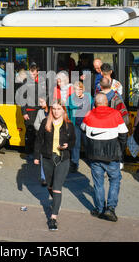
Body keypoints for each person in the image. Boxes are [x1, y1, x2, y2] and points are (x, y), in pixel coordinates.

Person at [82, 93, 128, 222]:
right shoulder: (115, 114)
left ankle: (99, 209)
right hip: (112, 156)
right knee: (114, 181)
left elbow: (83, 131)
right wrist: (120, 150)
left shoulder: (89, 114)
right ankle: (110, 209)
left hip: (95, 156)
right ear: (107, 102)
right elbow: (124, 134)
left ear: (95, 103)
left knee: (98, 183)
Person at [33, 99, 76, 231]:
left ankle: (53, 218)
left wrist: (68, 145)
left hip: (63, 159)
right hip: (47, 158)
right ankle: (57, 202)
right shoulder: (46, 122)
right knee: (50, 186)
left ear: (63, 110)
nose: (57, 112)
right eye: (54, 109)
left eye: (59, 109)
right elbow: (39, 140)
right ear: (51, 110)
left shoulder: (69, 125)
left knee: (57, 187)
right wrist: (36, 157)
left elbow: (73, 141)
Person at [66, 81, 93, 173]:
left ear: (83, 89)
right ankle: (74, 163)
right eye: (76, 89)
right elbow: (67, 111)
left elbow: (92, 108)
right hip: (75, 124)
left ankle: (91, 162)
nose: (78, 91)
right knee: (76, 144)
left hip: (86, 124)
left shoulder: (88, 97)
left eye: (80, 89)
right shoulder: (70, 98)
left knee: (87, 143)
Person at [20, 63, 40, 157]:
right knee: (30, 133)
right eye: (31, 74)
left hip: (38, 111)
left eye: (35, 74)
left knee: (37, 133)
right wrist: (24, 112)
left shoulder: (39, 82)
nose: (33, 75)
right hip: (29, 111)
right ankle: (28, 153)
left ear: (37, 73)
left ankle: (36, 153)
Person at [34, 95, 50, 186]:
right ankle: (43, 177)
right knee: (42, 158)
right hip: (42, 138)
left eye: (42, 102)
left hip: (51, 139)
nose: (40, 104)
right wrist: (43, 129)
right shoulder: (40, 112)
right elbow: (36, 124)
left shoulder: (53, 111)